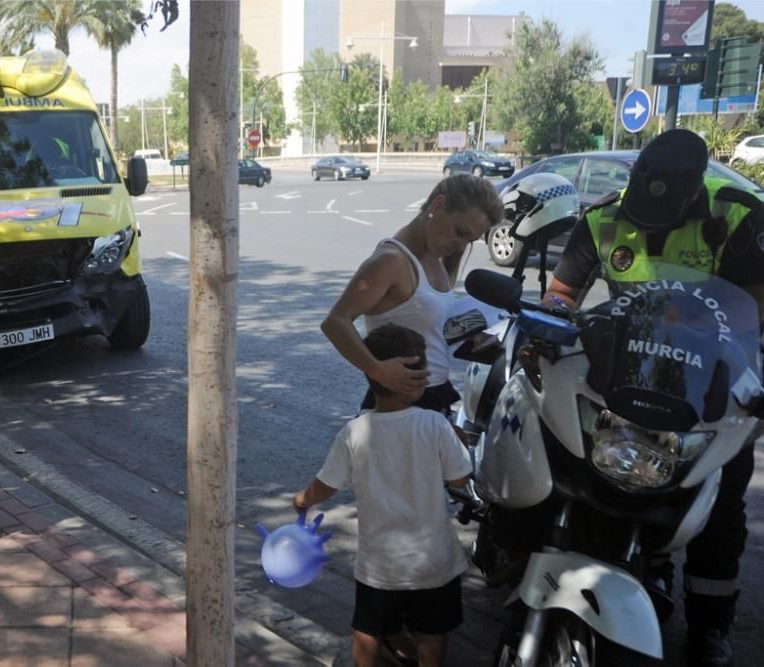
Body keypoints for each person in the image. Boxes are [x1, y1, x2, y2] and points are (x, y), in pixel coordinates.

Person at [545, 129, 763, 667]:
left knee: (718, 506)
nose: (644, 230)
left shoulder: (735, 218)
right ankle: (642, 577)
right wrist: (558, 327)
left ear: (694, 195)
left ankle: (712, 626)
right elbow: (562, 293)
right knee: (609, 484)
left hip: (712, 388)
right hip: (630, 375)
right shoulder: (603, 219)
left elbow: (755, 310)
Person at [294, 323, 473, 667]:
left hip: (381, 564)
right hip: (432, 561)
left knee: (369, 628)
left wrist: (303, 501)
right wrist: (458, 440)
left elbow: (326, 485)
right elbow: (461, 478)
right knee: (431, 635)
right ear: (416, 378)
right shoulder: (435, 425)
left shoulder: (355, 431)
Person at [322, 174, 504, 414]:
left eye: (470, 241)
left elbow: (425, 328)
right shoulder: (391, 260)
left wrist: (468, 338)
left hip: (434, 396)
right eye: (461, 232)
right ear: (437, 206)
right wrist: (377, 369)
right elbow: (335, 322)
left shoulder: (435, 257)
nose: (461, 246)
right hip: (398, 405)